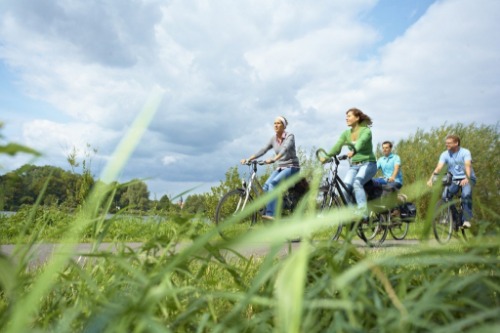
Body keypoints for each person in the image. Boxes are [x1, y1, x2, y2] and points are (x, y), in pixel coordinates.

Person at [318, 108, 377, 220]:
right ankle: (353, 214)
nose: (347, 118)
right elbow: (337, 146)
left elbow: (361, 142)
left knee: (357, 183)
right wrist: (326, 157)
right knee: (344, 189)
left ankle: (363, 214)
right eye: (346, 116)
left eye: (349, 116)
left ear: (357, 118)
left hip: (368, 164)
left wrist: (354, 151)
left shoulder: (366, 131)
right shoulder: (346, 134)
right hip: (354, 165)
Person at [241, 116, 300, 220]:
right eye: (274, 123)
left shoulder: (289, 136)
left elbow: (284, 150)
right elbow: (263, 150)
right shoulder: (273, 139)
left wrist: (274, 159)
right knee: (266, 187)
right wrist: (249, 159)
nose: (276, 125)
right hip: (281, 168)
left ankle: (270, 214)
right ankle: (278, 204)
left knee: (274, 184)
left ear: (284, 126)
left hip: (292, 167)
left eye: (278, 123)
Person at [427, 134, 476, 228]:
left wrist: (467, 178)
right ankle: (455, 218)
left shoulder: (465, 152)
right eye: (446, 143)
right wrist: (431, 179)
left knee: (465, 194)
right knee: (445, 196)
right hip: (454, 179)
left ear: (456, 143)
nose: (447, 145)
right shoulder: (444, 154)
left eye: (449, 143)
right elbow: (438, 168)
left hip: (468, 178)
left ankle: (466, 219)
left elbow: (467, 166)